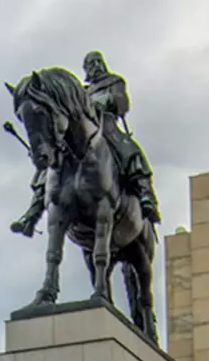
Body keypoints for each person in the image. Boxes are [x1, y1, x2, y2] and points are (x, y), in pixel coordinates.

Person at [10, 51, 161, 236]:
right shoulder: (83, 91)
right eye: (90, 64)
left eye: (97, 62)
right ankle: (33, 213)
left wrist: (106, 100)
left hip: (107, 128)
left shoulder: (114, 81)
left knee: (130, 151)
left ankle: (146, 195)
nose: (95, 67)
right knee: (53, 159)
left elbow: (123, 103)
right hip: (83, 137)